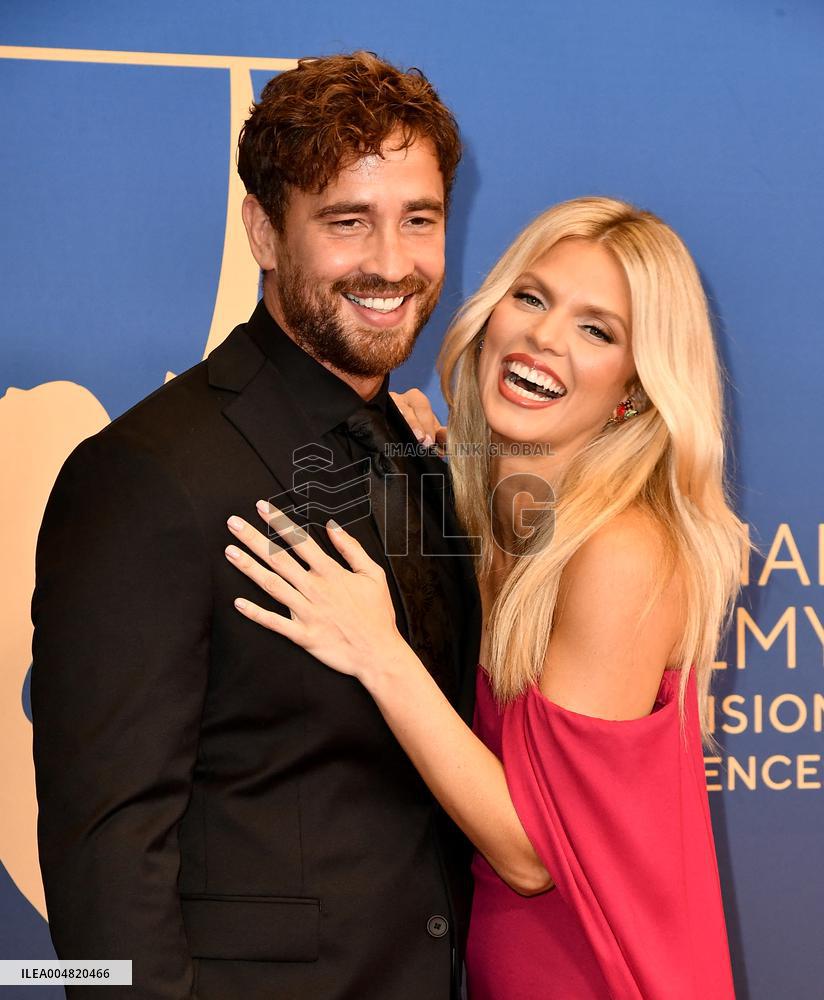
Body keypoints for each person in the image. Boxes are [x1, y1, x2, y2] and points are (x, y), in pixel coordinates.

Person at [31, 52, 480, 1000]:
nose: (392, 263)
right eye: (347, 221)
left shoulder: (414, 452)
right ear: (264, 232)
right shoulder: (146, 476)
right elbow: (105, 858)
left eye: (420, 219)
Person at [224, 196, 746, 998]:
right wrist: (410, 452)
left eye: (597, 330)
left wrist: (377, 651)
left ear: (636, 391)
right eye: (532, 298)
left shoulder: (620, 550)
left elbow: (531, 855)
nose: (545, 337)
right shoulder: (488, 511)